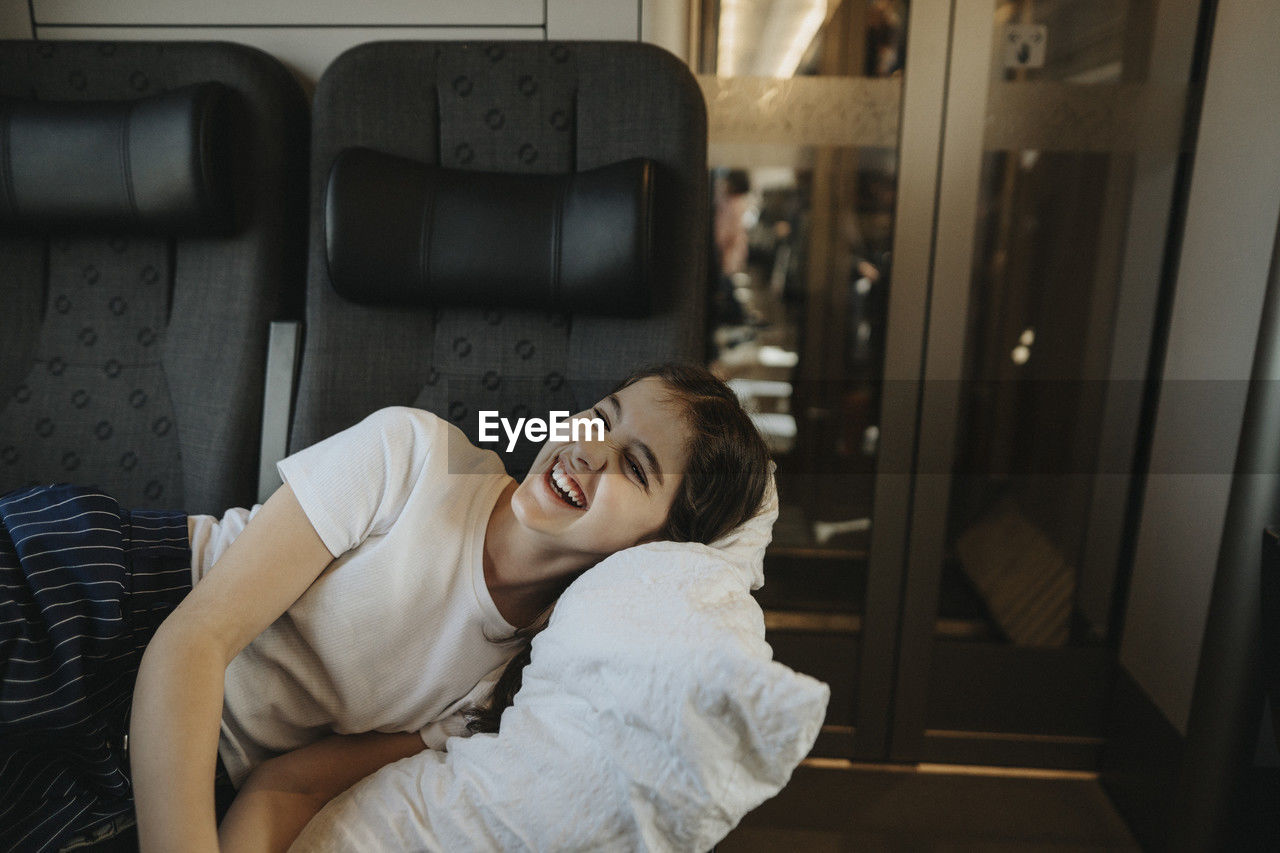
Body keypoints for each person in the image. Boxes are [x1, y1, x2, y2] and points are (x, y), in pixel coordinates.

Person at [0, 363, 770, 853]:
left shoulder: (497, 694)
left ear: (660, 549)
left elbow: (286, 787)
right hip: (112, 597)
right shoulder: (414, 454)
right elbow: (197, 639)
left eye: (634, 465)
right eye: (600, 415)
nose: (589, 448)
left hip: (158, 762)